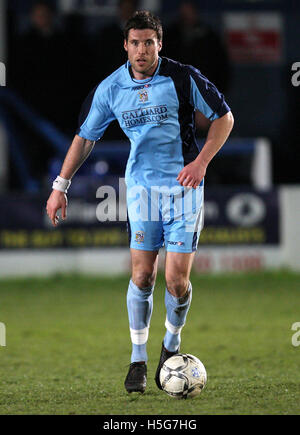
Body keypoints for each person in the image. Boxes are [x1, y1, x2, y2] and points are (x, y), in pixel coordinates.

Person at [46, 10, 234, 394]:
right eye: (135, 42)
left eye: (149, 42)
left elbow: (224, 118)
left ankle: (171, 346)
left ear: (159, 44)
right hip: (142, 192)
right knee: (142, 276)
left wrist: (200, 163)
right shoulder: (111, 88)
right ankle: (137, 360)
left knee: (176, 282)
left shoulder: (183, 77)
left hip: (184, 189)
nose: (142, 50)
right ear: (126, 46)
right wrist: (60, 185)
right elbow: (84, 138)